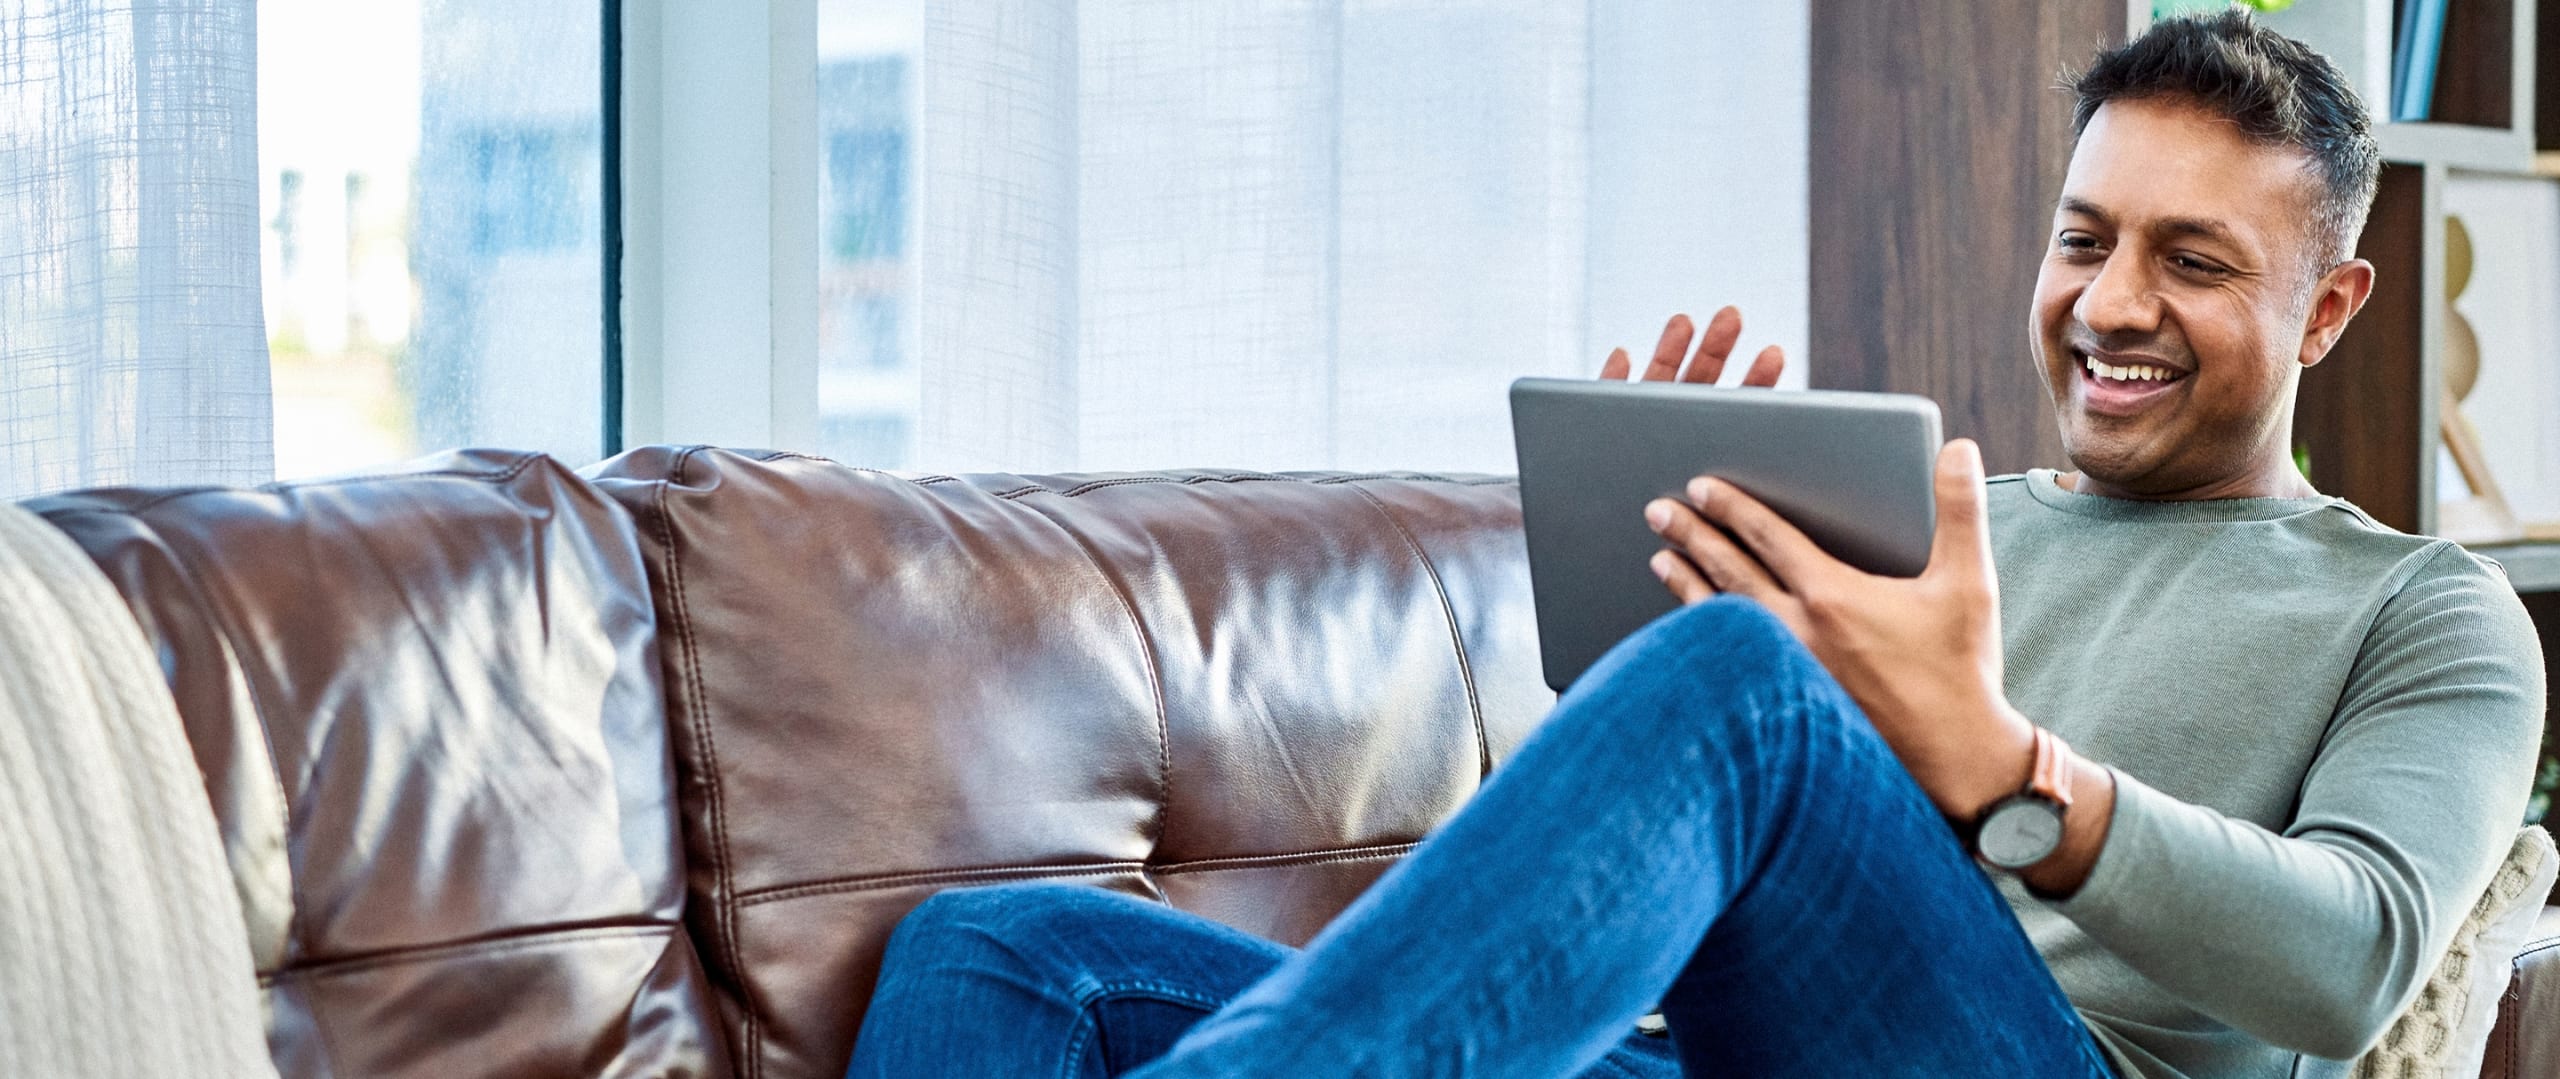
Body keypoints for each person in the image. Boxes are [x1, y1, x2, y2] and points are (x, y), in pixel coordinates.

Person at [843, 12, 2547, 1079]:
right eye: (2084, 238)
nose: (2112, 305)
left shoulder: (2425, 613)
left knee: (1742, 686)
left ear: (2328, 305)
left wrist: (2006, 773)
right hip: (1712, 1039)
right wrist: (1651, 590)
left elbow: (2350, 962)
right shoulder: (1916, 530)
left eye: (2193, 262)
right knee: (1001, 954)